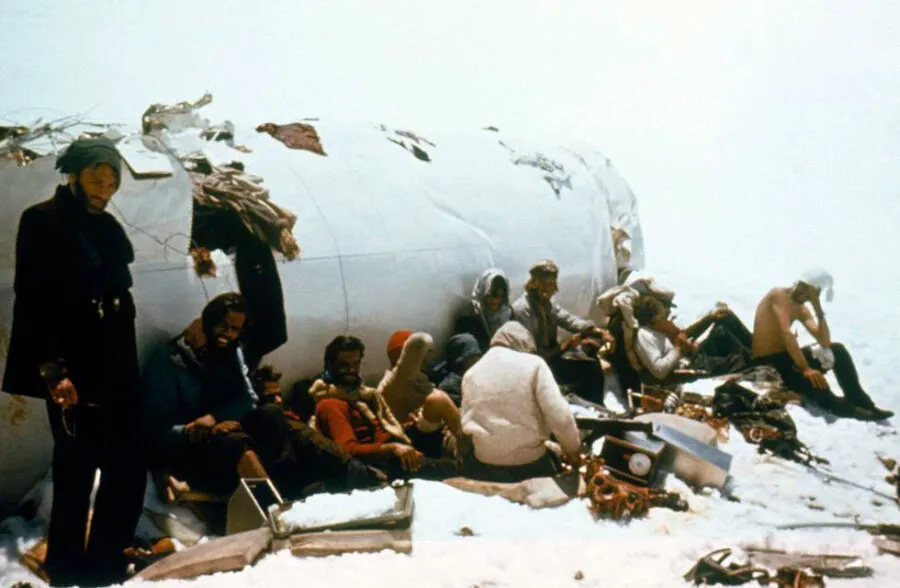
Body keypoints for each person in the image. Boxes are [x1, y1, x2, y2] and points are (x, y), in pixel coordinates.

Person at [1, 137, 145, 587]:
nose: (105, 188)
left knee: (126, 462)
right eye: (96, 178)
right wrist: (53, 371)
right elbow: (34, 301)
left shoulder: (103, 225)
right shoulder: (43, 221)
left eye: (112, 181)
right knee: (76, 466)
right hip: (74, 366)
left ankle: (104, 558)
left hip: (116, 363)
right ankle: (66, 566)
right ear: (74, 175)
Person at [141, 293, 371, 501]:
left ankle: (353, 472)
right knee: (234, 439)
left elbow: (246, 399)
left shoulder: (229, 352)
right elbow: (154, 428)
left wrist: (215, 418)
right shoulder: (170, 361)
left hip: (222, 427)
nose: (228, 334)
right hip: (192, 447)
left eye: (235, 329)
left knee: (272, 415)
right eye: (223, 326)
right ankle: (270, 502)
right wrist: (191, 430)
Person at [751, 270, 893, 421]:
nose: (802, 293)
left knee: (837, 350)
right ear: (797, 282)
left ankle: (860, 400)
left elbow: (824, 341)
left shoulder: (801, 308)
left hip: (788, 357)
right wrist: (806, 368)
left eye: (809, 292)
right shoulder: (778, 295)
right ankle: (852, 411)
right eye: (802, 287)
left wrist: (817, 307)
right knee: (818, 387)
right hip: (768, 363)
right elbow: (787, 335)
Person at [311, 336, 457, 480]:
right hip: (382, 463)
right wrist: (393, 449)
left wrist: (403, 429)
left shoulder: (363, 395)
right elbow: (348, 449)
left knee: (436, 407)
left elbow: (380, 426)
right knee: (450, 469)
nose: (351, 370)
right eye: (344, 365)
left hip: (393, 447)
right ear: (330, 366)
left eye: (356, 364)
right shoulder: (330, 404)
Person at [460, 322, 582, 483]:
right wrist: (572, 450)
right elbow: (560, 416)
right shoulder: (534, 364)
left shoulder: (471, 373)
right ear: (525, 343)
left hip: (484, 464)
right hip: (528, 465)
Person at [511, 260, 615, 404]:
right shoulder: (522, 310)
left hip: (552, 358)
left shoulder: (547, 304)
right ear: (536, 283)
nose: (555, 289)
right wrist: (567, 345)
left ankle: (595, 409)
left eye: (554, 283)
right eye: (550, 284)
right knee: (586, 371)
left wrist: (599, 332)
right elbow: (534, 355)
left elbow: (569, 320)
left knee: (590, 362)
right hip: (535, 368)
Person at [378, 330, 461, 458]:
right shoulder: (395, 383)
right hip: (412, 442)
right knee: (438, 400)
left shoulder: (418, 382)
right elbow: (416, 346)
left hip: (425, 435)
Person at [631, 296, 751, 384]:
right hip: (692, 366)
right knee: (740, 360)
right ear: (654, 320)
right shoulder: (645, 336)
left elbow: (684, 334)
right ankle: (756, 358)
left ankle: (757, 347)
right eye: (662, 318)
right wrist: (678, 349)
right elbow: (659, 370)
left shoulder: (657, 329)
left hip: (694, 355)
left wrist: (710, 319)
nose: (665, 319)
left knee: (724, 322)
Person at [456, 268, 513, 351]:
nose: (495, 301)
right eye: (490, 296)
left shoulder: (511, 317)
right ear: (483, 294)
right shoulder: (470, 323)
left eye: (500, 297)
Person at [429, 333, 483, 406]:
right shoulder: (450, 386)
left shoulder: (480, 376)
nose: (476, 360)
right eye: (471, 357)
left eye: (477, 356)